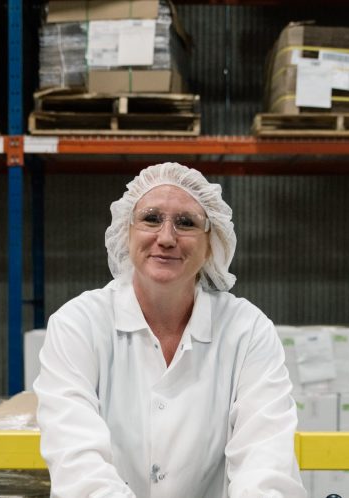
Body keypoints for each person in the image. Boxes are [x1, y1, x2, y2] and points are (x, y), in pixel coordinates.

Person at [34, 163, 306, 497]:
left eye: (186, 223)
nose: (166, 238)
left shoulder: (246, 330)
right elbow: (77, 460)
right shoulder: (78, 324)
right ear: (126, 232)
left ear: (211, 244)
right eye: (151, 218)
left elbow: (265, 457)